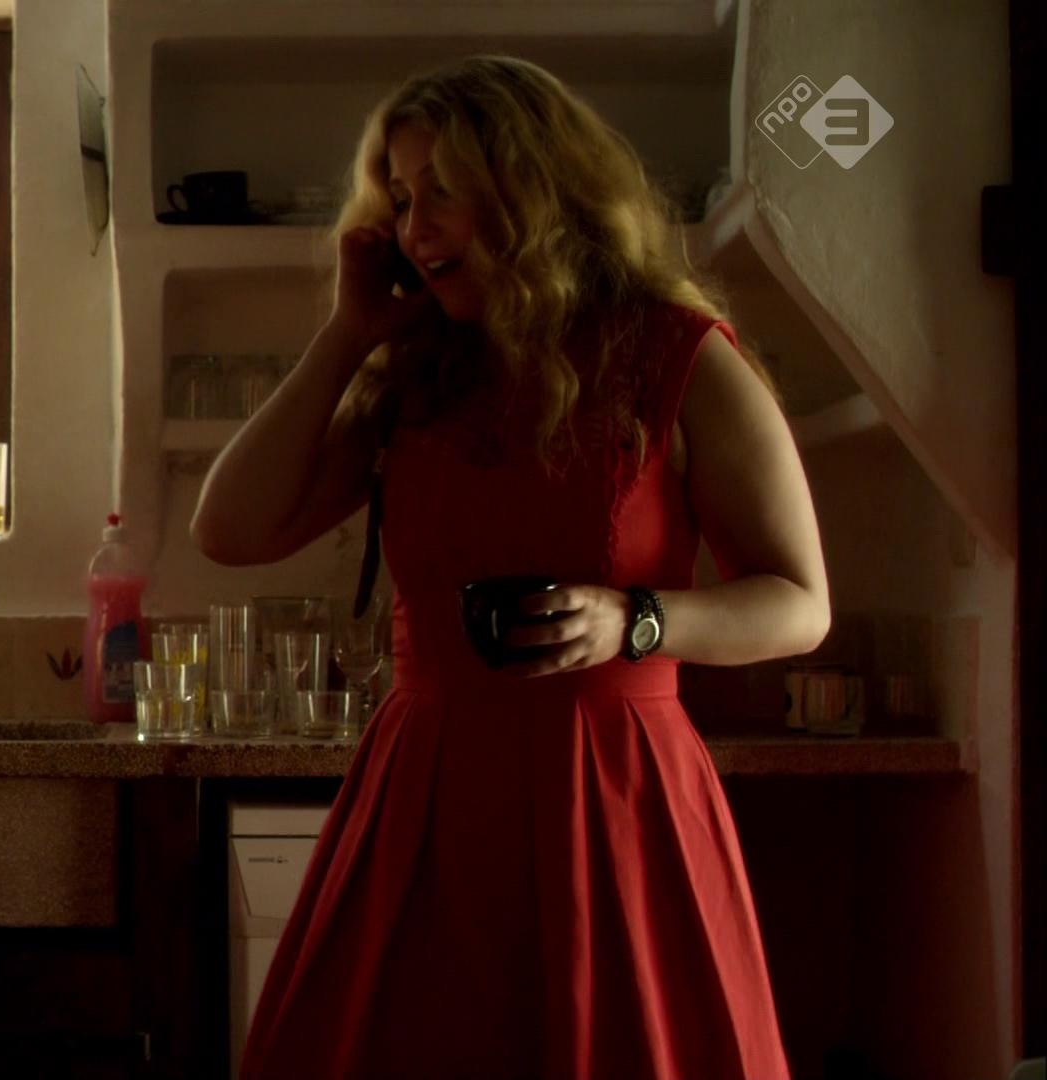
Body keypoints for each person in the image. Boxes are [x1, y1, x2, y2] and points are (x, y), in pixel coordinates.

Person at [191, 56, 829, 1079]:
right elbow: (228, 527)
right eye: (401, 198)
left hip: (616, 793)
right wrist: (348, 333)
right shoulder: (419, 376)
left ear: (530, 189)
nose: (414, 226)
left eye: (441, 189)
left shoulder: (676, 354)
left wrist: (634, 621)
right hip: (429, 798)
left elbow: (800, 604)